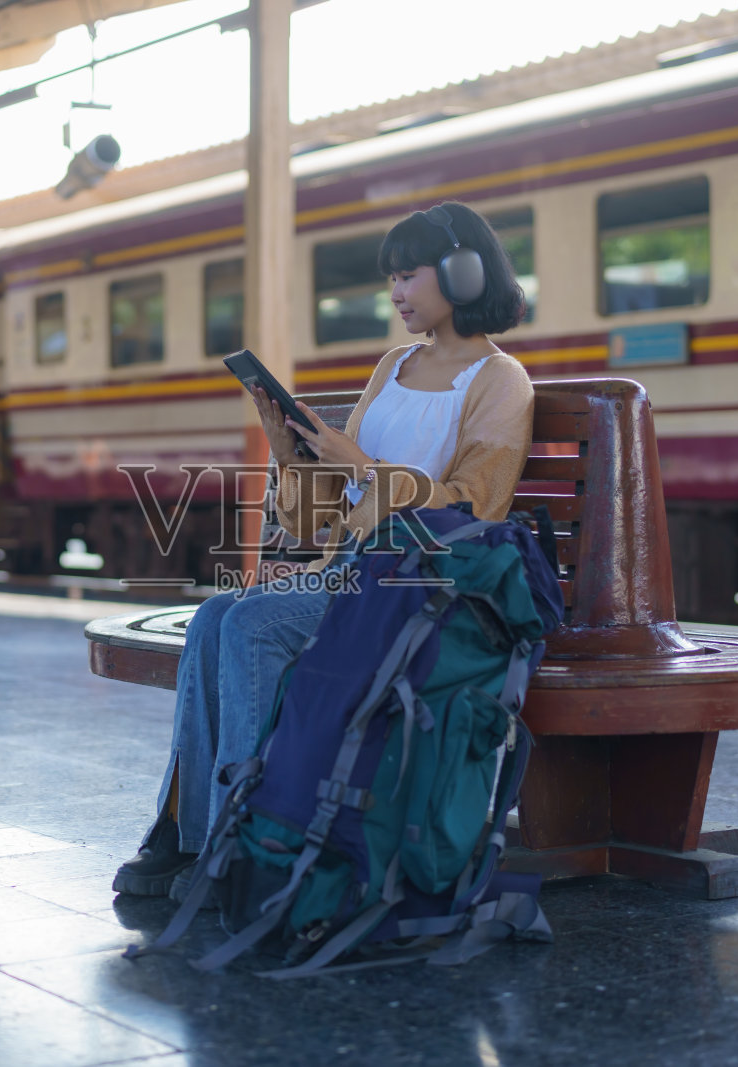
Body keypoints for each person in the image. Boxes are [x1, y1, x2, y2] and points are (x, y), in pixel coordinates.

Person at [113, 201, 536, 898]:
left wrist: (364, 465)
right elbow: (318, 521)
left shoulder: (500, 379)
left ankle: (239, 844)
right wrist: (290, 449)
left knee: (251, 622)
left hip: (423, 585)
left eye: (408, 276)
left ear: (463, 273)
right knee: (217, 615)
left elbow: (476, 506)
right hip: (352, 570)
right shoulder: (393, 365)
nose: (395, 293)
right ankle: (184, 832)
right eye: (390, 279)